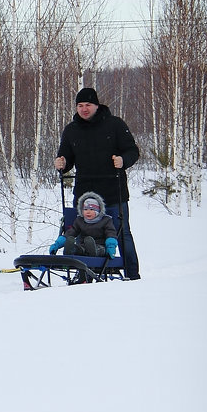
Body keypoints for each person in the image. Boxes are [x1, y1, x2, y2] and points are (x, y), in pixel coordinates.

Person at [53, 87, 141, 279]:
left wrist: (123, 161)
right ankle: (84, 273)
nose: (84, 109)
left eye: (88, 105)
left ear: (97, 105)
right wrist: (62, 163)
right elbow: (66, 157)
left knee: (121, 232)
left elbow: (132, 151)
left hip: (112, 193)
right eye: (80, 105)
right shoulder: (71, 130)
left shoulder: (114, 124)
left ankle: (132, 275)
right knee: (81, 233)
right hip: (84, 195)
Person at [49, 191, 119, 258]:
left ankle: (93, 251)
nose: (88, 212)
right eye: (85, 209)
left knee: (100, 249)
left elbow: (111, 234)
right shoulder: (80, 220)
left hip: (101, 245)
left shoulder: (106, 220)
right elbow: (70, 232)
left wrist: (111, 246)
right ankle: (71, 249)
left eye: (91, 210)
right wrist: (57, 244)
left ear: (98, 211)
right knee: (79, 248)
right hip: (84, 245)